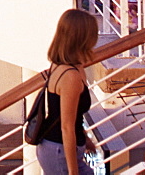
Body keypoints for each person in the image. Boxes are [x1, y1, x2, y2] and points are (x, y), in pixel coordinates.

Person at [34, 9, 99, 175]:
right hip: (58, 150)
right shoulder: (70, 76)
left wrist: (85, 138)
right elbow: (66, 126)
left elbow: (70, 114)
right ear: (82, 38)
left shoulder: (63, 65)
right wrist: (73, 171)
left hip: (58, 147)